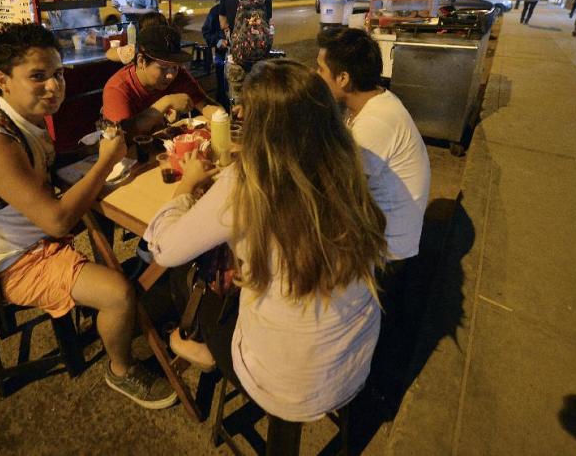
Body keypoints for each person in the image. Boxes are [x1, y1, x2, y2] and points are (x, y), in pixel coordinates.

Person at [143, 59, 387, 422]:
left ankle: (203, 345)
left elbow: (164, 247)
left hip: (284, 386)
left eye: (246, 112)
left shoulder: (250, 182)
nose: (239, 113)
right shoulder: (351, 161)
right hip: (352, 364)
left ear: (263, 127)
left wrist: (187, 185)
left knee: (194, 271)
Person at [0, 24, 177, 409]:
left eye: (57, 74)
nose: (54, 86)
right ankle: (120, 371)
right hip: (11, 262)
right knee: (120, 293)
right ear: (2, 80)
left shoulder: (24, 119)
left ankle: (132, 294)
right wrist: (106, 161)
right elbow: (56, 221)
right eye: (38, 77)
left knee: (137, 224)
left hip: (35, 237)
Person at [316, 27, 431, 402]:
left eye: (321, 69)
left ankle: (364, 387)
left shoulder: (374, 125)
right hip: (387, 229)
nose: (316, 76)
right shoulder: (375, 102)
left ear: (343, 78)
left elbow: (336, 194)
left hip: (388, 252)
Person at [101, 24, 220, 135]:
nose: (171, 75)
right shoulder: (118, 88)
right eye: (163, 68)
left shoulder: (178, 74)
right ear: (141, 61)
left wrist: (222, 117)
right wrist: (166, 102)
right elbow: (122, 135)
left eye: (175, 67)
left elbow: (205, 105)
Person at [218, 0, 273, 102]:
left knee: (237, 102)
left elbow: (223, 24)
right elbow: (267, 24)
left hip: (237, 59)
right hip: (261, 59)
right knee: (259, 99)